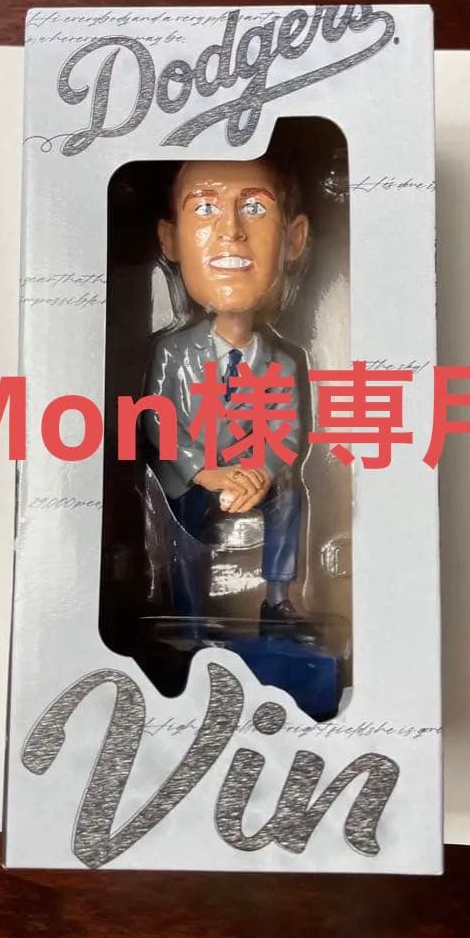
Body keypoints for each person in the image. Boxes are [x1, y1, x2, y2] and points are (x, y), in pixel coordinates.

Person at [143, 154, 316, 639]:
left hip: (251, 472)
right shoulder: (174, 351)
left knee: (289, 497)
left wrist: (261, 471)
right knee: (181, 520)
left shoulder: (281, 363)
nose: (231, 231)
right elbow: (158, 422)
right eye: (204, 209)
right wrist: (206, 472)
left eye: (255, 209)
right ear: (170, 240)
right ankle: (189, 613)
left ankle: (278, 599)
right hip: (195, 475)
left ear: (294, 239)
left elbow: (287, 433)